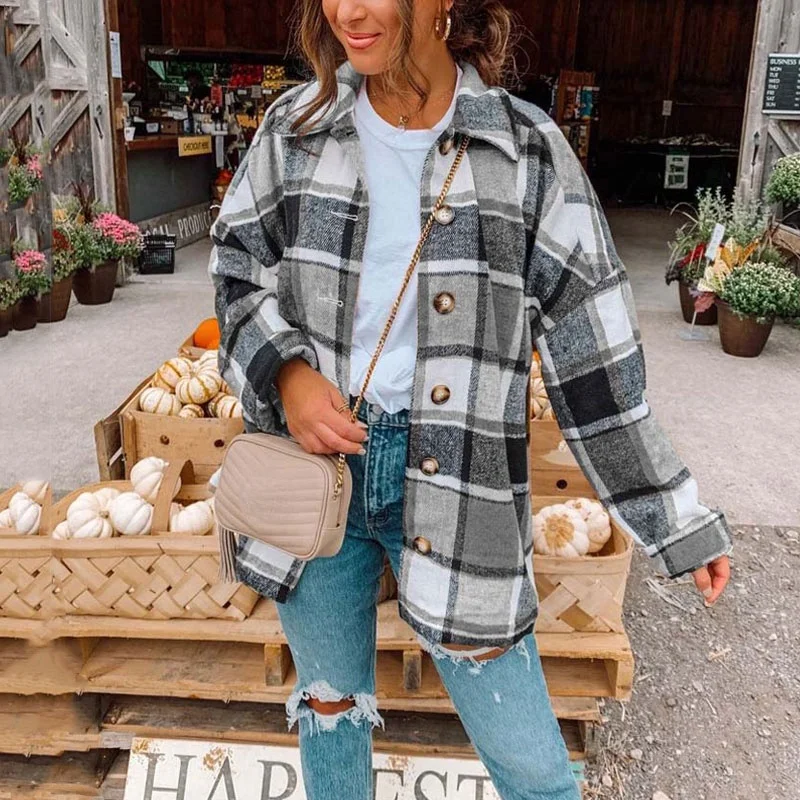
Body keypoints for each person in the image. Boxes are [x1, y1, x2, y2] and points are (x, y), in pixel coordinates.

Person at [208, 1, 732, 797]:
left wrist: (675, 518)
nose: (348, 11)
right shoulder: (297, 128)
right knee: (329, 709)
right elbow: (236, 266)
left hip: (460, 483)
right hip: (314, 478)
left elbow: (594, 357)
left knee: (531, 766)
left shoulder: (524, 152)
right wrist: (288, 373)